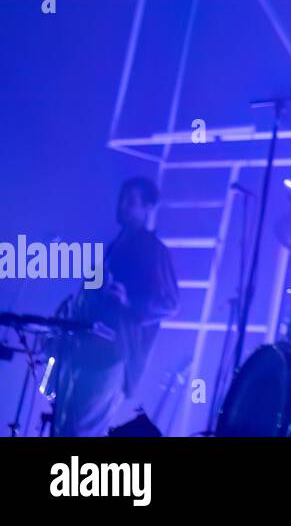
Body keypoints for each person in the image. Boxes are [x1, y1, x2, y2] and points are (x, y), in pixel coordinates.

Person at [49, 177, 179, 436]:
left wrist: (130, 301)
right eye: (122, 199)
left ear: (148, 208)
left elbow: (170, 303)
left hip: (113, 354)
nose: (122, 206)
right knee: (64, 427)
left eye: (131, 201)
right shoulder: (112, 247)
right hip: (85, 349)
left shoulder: (153, 250)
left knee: (82, 430)